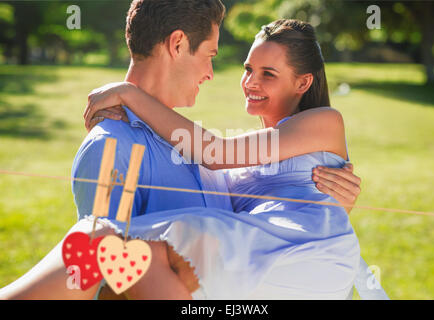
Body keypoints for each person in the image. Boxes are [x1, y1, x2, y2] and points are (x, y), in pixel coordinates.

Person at [0, 0, 360, 300]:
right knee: (105, 241)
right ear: (177, 44)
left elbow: (221, 158)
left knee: (115, 244)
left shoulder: (198, 150)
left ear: (303, 82)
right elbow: (95, 285)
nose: (213, 73)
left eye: (268, 73)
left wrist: (328, 201)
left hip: (285, 274)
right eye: (210, 56)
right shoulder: (114, 143)